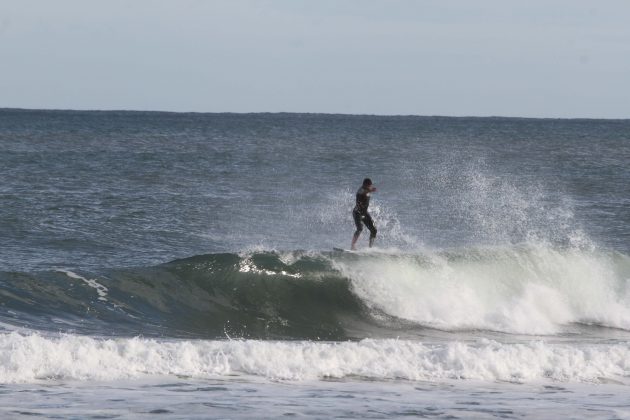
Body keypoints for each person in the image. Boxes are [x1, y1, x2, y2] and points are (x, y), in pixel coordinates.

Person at [351, 178, 377, 250]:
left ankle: (370, 248)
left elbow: (367, 192)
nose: (369, 187)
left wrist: (370, 190)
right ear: (364, 185)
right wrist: (370, 190)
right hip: (357, 213)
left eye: (369, 186)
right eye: (367, 186)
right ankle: (352, 246)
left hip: (364, 213)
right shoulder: (361, 190)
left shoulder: (368, 190)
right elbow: (363, 192)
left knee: (374, 230)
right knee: (359, 229)